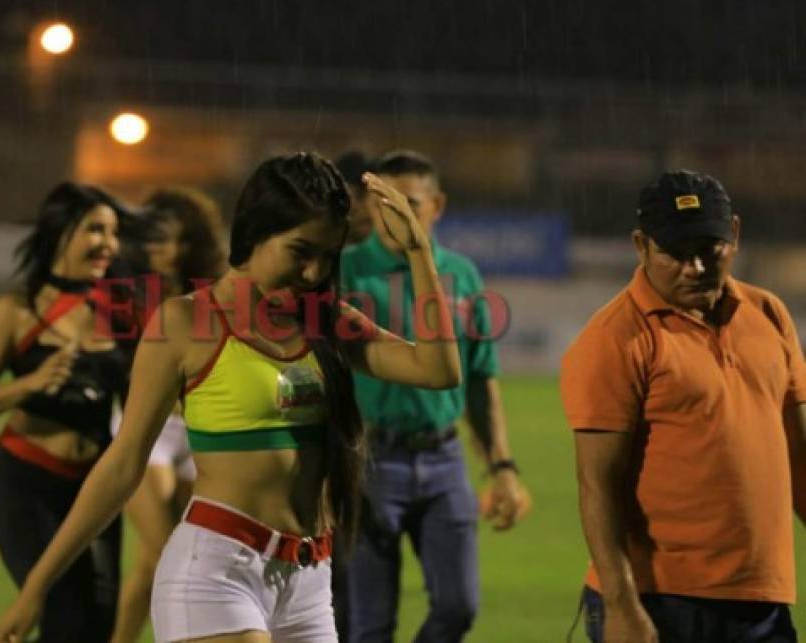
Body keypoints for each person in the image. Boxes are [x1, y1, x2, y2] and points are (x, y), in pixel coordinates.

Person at [0, 151, 463, 643]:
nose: (312, 272)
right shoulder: (184, 323)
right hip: (217, 576)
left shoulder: (326, 319)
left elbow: (438, 369)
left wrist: (418, 254)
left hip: (307, 584)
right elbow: (122, 464)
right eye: (300, 251)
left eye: (327, 257)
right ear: (256, 231)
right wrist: (37, 589)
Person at [560, 170, 806, 643]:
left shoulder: (769, 313)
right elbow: (598, 487)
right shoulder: (615, 340)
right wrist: (621, 604)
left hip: (763, 601)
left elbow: (801, 459)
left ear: (733, 233)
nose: (694, 268)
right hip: (661, 600)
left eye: (708, 249)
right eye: (675, 253)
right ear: (641, 245)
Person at [340, 150, 527, 643]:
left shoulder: (461, 274)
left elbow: (482, 379)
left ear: (437, 205)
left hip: (445, 459)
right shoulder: (345, 270)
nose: (396, 216)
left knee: (459, 607)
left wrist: (502, 467)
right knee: (368, 626)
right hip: (368, 460)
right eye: (385, 203)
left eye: (410, 204)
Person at [0, 182, 143, 643]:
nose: (109, 244)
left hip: (94, 489)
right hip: (27, 484)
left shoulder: (120, 312)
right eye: (95, 230)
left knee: (99, 623)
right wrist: (29, 384)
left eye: (113, 232)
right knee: (62, 616)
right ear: (61, 233)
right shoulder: (18, 310)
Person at [112, 186, 229, 643]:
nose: (162, 250)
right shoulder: (127, 294)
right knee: (170, 552)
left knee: (149, 562)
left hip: (198, 434)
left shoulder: (216, 296)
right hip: (145, 431)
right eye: (155, 239)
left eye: (175, 240)